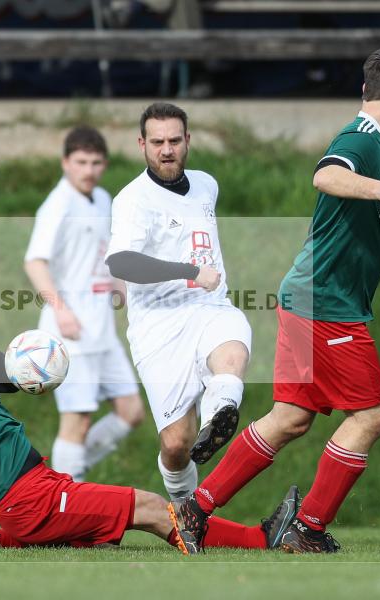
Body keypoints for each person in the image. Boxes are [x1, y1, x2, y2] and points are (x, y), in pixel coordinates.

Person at [168, 46, 380, 554]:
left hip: (312, 298)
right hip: (326, 303)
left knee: (291, 417)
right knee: (371, 417)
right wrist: (379, 186)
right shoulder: (359, 139)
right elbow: (325, 175)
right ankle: (308, 528)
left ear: (367, 87)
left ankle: (195, 509)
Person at [0, 293, 294, 551]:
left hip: (41, 482)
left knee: (94, 537)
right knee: (153, 508)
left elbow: (9, 379)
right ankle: (264, 540)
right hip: (25, 499)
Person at [105, 102, 251, 500]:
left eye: (173, 141)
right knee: (175, 445)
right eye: (157, 143)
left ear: (187, 140)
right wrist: (189, 270)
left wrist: (201, 279)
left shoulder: (206, 185)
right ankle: (186, 510)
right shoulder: (132, 200)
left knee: (232, 352)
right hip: (158, 324)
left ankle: (219, 414)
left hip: (209, 307)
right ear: (142, 144)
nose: (166, 150)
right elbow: (121, 262)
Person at [23, 126, 144, 483]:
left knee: (131, 411)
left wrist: (121, 291)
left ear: (104, 164)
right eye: (80, 162)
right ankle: (66, 492)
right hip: (70, 335)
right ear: (65, 163)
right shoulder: (58, 204)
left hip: (102, 332)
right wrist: (61, 310)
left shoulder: (104, 199)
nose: (88, 170)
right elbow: (35, 262)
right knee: (77, 420)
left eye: (95, 162)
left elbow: (107, 256)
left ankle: (62, 479)